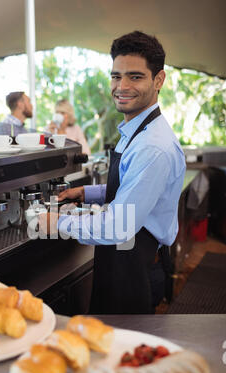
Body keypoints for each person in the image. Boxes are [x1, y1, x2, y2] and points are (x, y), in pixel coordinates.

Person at [40, 31, 186, 314]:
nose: (122, 86)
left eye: (135, 76)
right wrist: (87, 192)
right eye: (116, 76)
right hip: (124, 260)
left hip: (135, 271)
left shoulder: (152, 146)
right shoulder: (136, 129)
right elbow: (130, 186)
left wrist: (56, 223)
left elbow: (119, 225)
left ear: (159, 80)